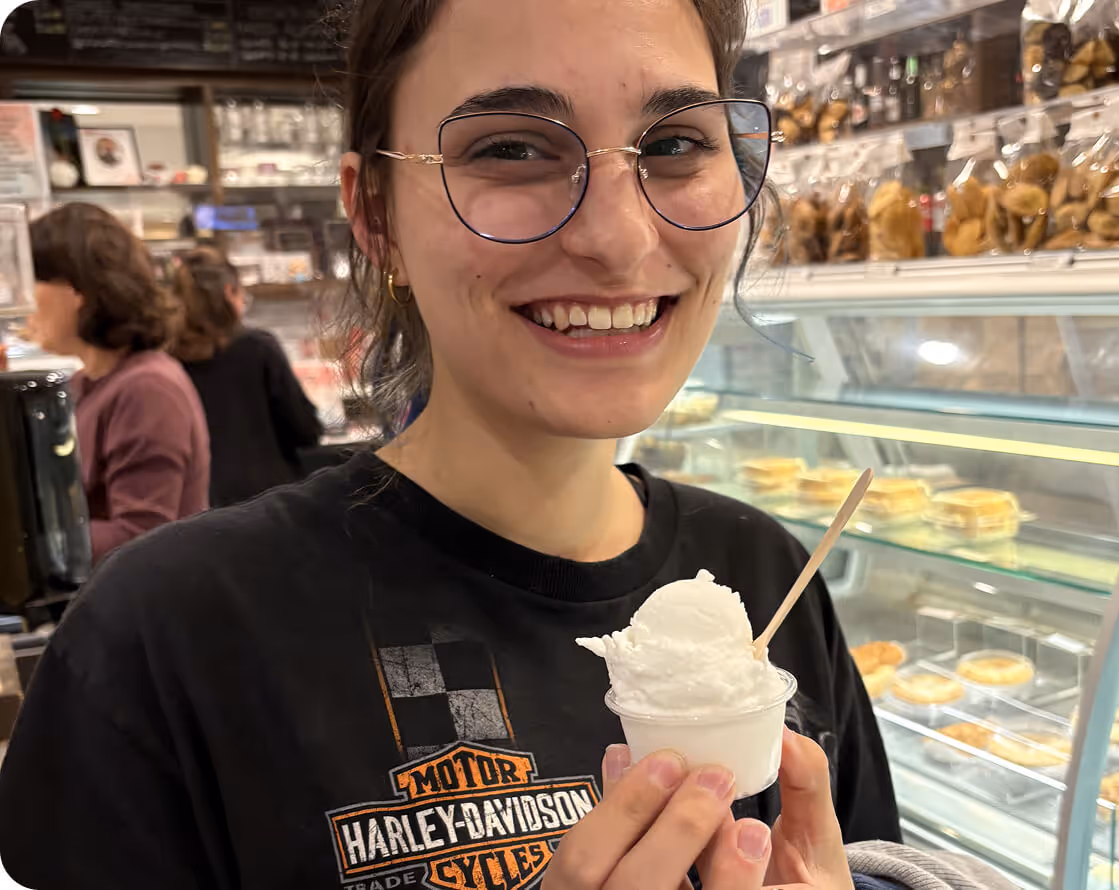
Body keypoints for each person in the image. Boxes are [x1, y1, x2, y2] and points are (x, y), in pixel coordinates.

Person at [0, 1, 900, 887]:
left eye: (673, 145)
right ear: (374, 214)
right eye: (511, 148)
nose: (620, 239)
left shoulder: (766, 572)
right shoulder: (164, 640)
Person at [20, 202, 209, 563]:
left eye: (34, 279)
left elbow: (141, 535)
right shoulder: (86, 381)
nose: (26, 299)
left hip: (149, 611)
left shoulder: (147, 388)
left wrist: (26, 542)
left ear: (78, 289)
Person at [170, 247, 322, 507]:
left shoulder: (167, 361)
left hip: (203, 512)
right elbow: (306, 430)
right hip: (270, 505)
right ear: (229, 291)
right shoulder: (259, 348)